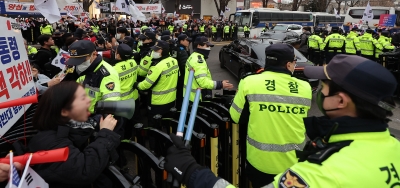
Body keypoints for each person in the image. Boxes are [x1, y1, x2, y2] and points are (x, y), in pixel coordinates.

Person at [164, 55, 400, 188]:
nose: (319, 90)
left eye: (325, 86)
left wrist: (190, 171)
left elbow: (236, 116)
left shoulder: (321, 174)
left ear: (340, 100)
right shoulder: (394, 147)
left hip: (258, 163)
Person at [229, 43, 312, 187]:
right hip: (293, 164)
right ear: (288, 64)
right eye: (294, 62)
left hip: (259, 162)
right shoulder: (305, 87)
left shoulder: (249, 82)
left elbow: (236, 117)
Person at [29, 82, 120, 187]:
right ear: (64, 111)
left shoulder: (78, 126)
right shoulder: (48, 143)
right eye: (82, 98)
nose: (89, 100)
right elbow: (84, 171)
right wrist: (105, 134)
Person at [65, 40, 121, 113]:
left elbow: (112, 103)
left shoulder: (106, 74)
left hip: (93, 116)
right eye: (75, 61)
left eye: (82, 60)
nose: (78, 64)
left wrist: (97, 120)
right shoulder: (83, 68)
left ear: (94, 54)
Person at [184, 36, 233, 101]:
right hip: (198, 97)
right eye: (207, 46)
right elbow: (203, 82)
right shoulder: (199, 61)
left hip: (191, 95)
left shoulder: (193, 55)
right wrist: (220, 84)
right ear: (199, 46)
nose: (209, 48)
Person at [176, 34, 191, 108]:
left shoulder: (179, 48)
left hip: (178, 75)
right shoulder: (182, 51)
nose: (188, 42)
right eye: (187, 40)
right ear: (181, 41)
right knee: (181, 94)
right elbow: (184, 65)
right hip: (182, 76)